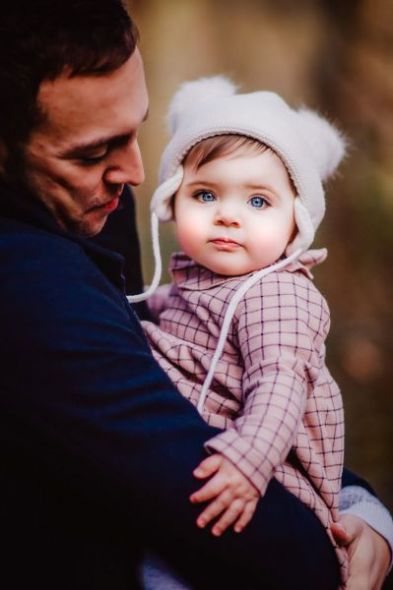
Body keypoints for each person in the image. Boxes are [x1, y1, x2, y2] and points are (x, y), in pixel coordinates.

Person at [0, 1, 391, 589]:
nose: (134, 172)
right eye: (90, 152)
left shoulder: (94, 206)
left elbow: (278, 389)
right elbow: (236, 520)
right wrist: (344, 539)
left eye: (136, 132)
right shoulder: (29, 287)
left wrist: (364, 509)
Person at [136, 77, 347, 586]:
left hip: (267, 486)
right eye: (205, 194)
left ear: (295, 223)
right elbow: (176, 315)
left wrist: (248, 462)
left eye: (257, 202)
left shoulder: (278, 295)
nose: (227, 215)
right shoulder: (201, 281)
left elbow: (279, 384)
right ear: (171, 201)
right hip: (213, 483)